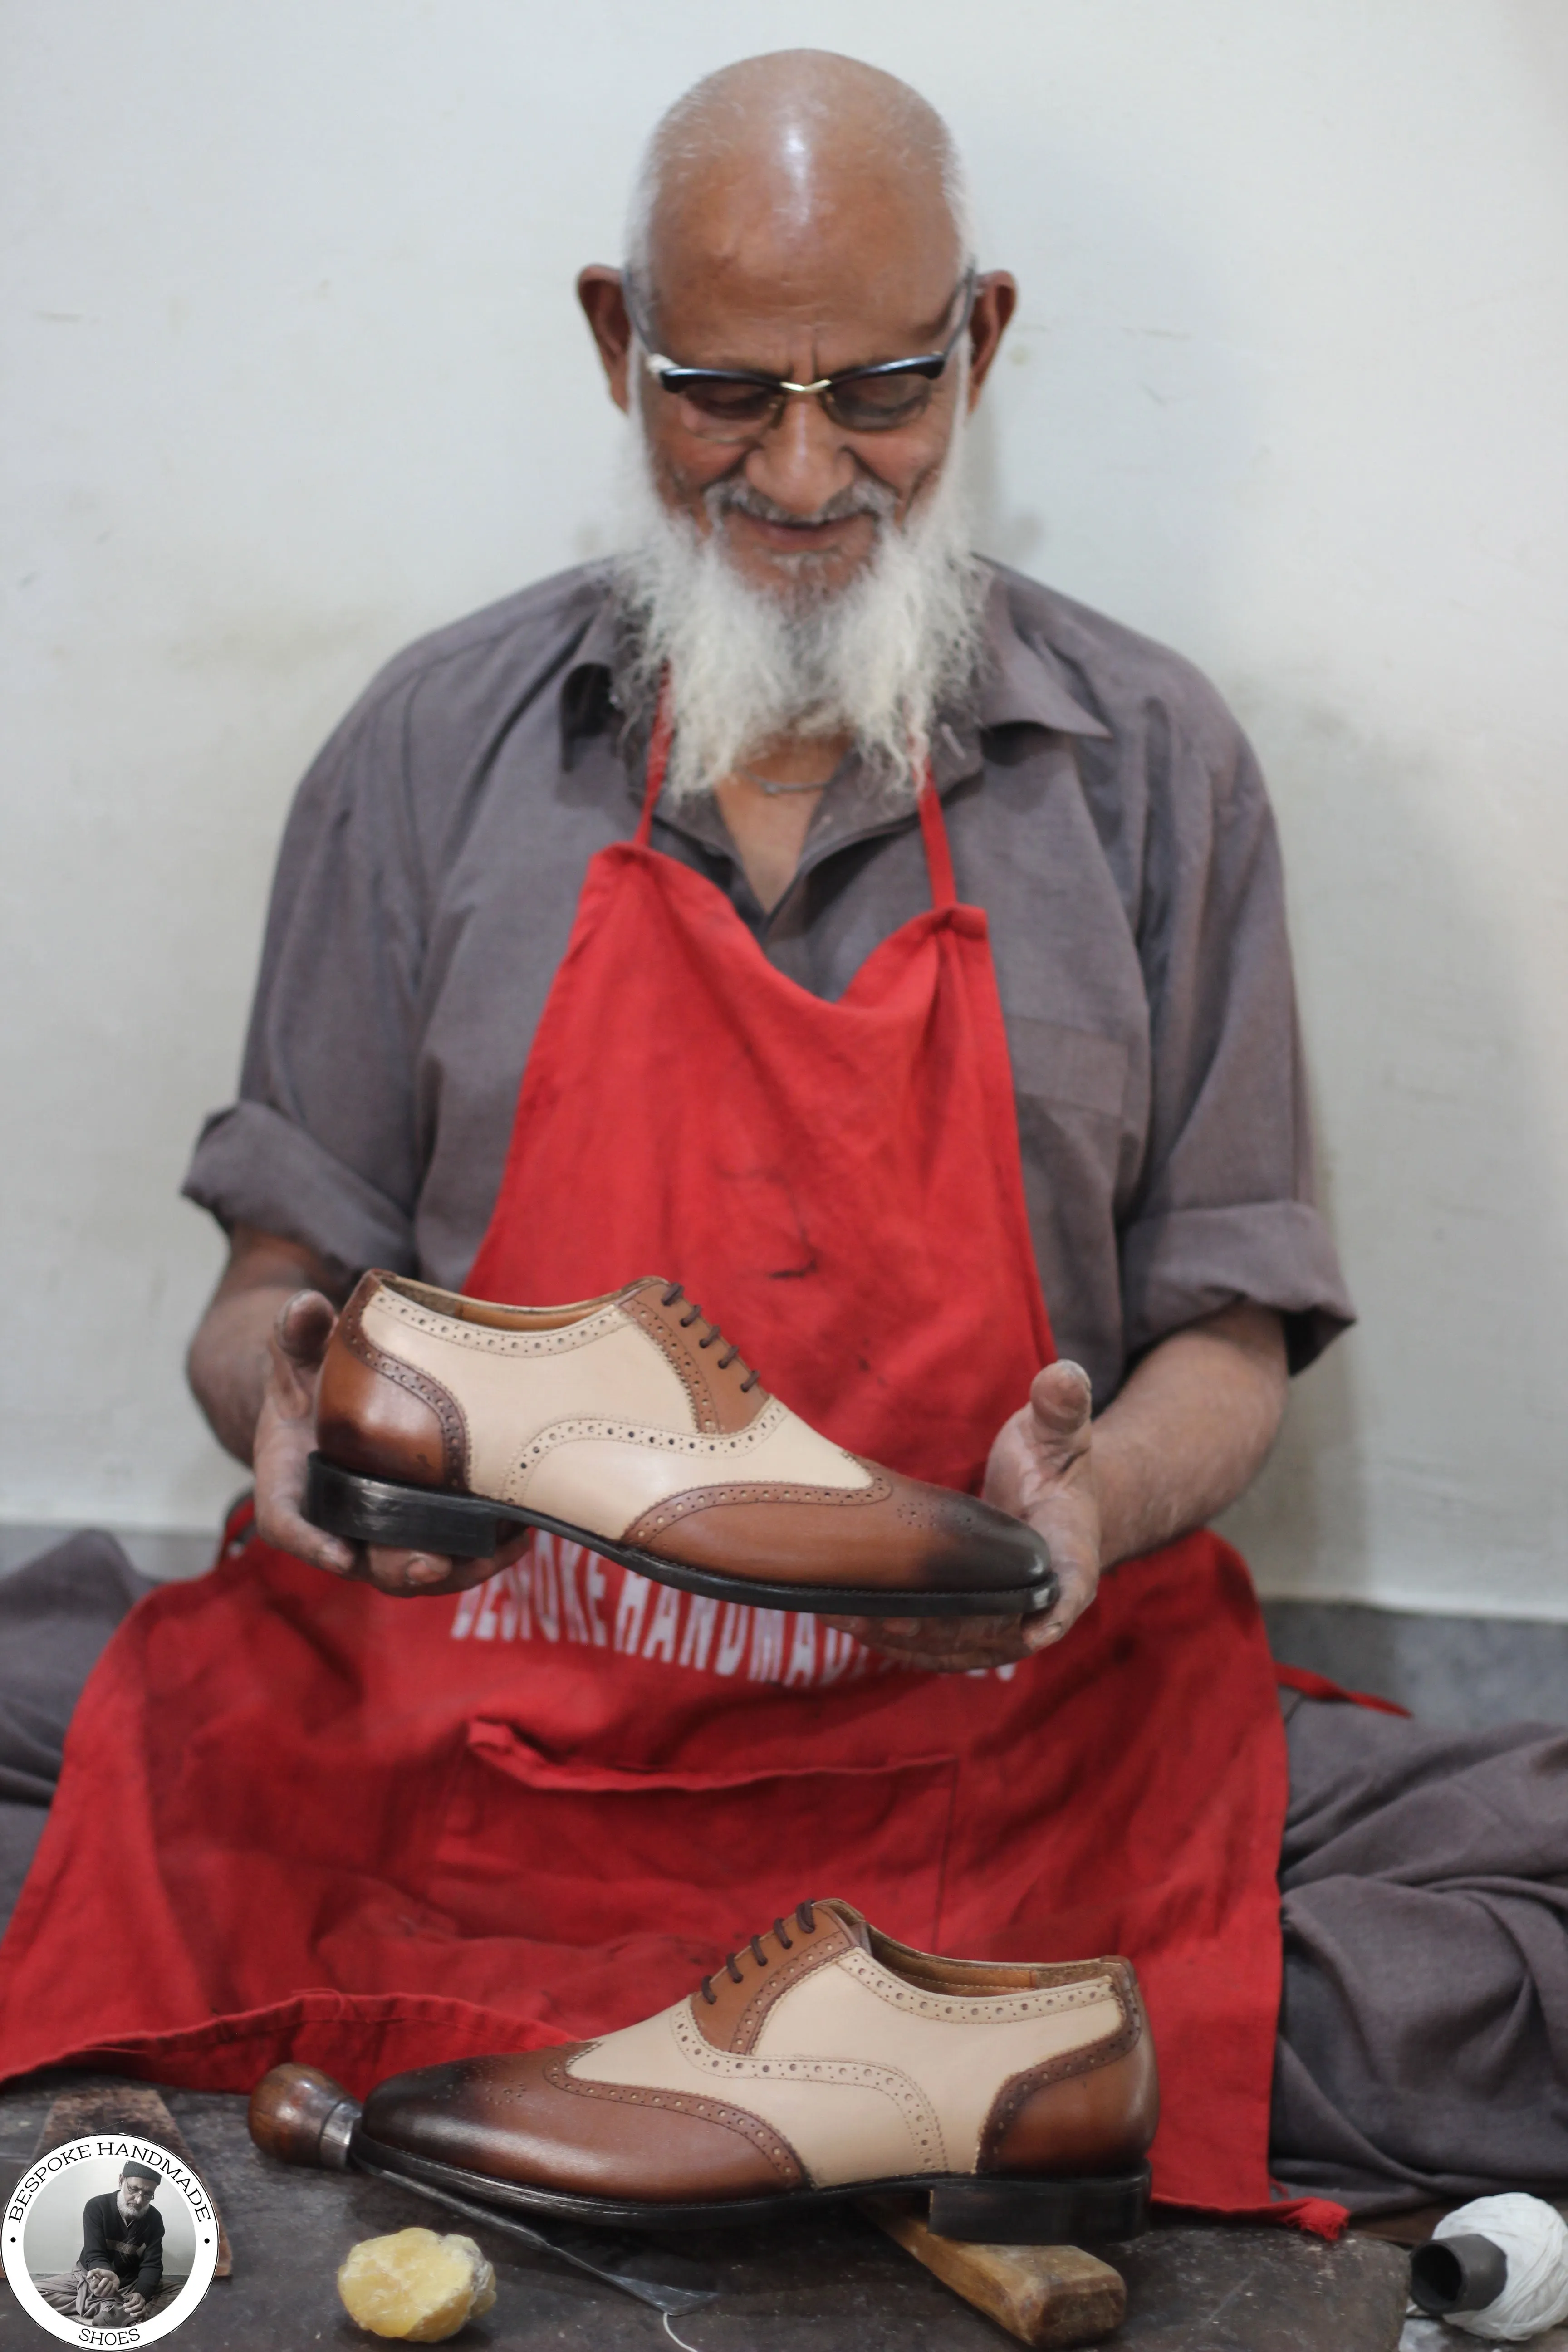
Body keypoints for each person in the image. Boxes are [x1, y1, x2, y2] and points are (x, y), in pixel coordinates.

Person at [0, 49, 1563, 2224]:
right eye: (721, 390)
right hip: (481, 1719)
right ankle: (931, 2081)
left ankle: (860, 2048)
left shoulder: (1148, 771)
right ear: (608, 345)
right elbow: (272, 1287)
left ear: (985, 341)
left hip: (984, 1753)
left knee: (1528, 1910)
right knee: (68, 1714)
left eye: (883, 388)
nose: (805, 468)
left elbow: (1225, 1327)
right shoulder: (430, 750)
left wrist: (1085, 1500)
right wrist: (283, 1418)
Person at [34, 2161, 165, 2328]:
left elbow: (152, 2265)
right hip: (90, 2277)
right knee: (30, 2294)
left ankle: (111, 2307)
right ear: (121, 2180)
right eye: (133, 2190)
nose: (139, 2200)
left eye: (148, 2194)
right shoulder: (97, 2206)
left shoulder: (155, 2219)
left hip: (130, 2285)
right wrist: (103, 2276)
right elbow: (94, 2254)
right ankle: (109, 2309)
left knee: (186, 2295)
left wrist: (142, 2294)